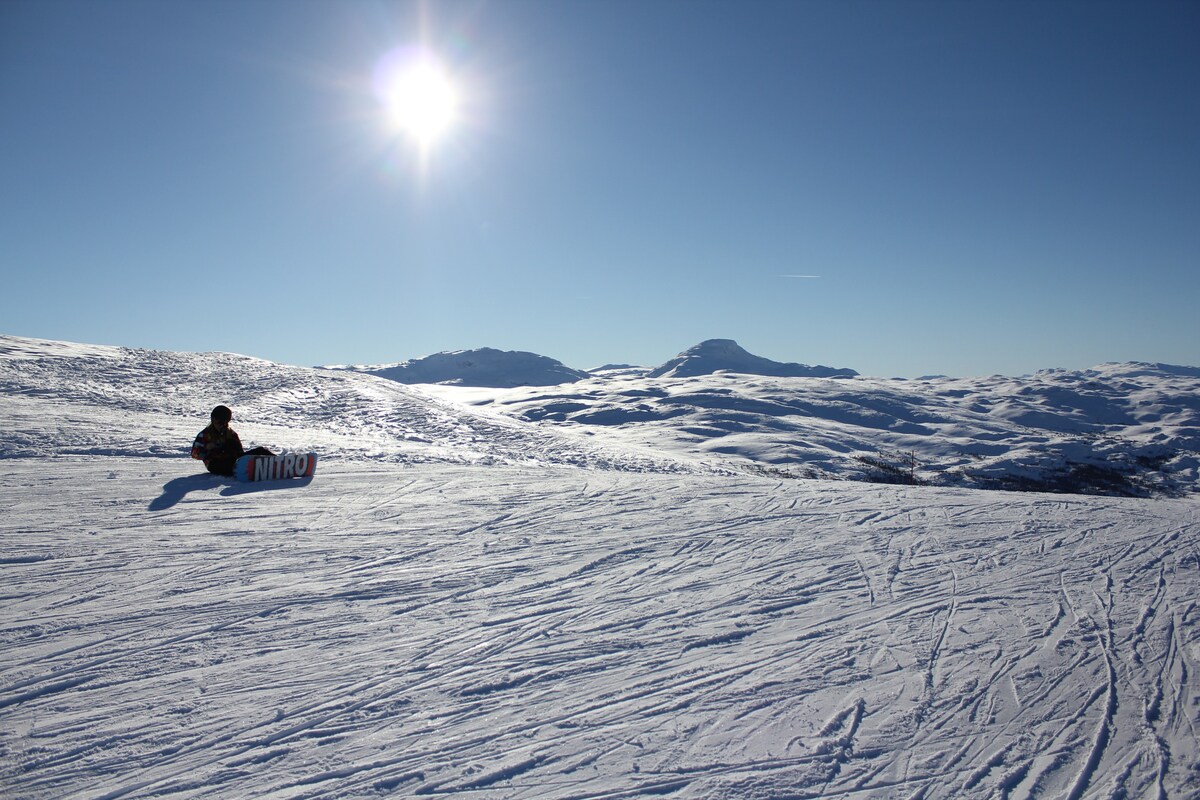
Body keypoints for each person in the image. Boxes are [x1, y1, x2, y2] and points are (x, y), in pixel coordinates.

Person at [191, 405, 273, 476]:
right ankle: (246, 469)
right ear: (213, 420)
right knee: (227, 464)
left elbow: (240, 452)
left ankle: (280, 463)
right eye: (219, 422)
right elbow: (194, 454)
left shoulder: (231, 433)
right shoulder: (205, 434)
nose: (221, 426)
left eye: (224, 423)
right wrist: (207, 447)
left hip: (232, 460)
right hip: (215, 463)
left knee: (260, 450)